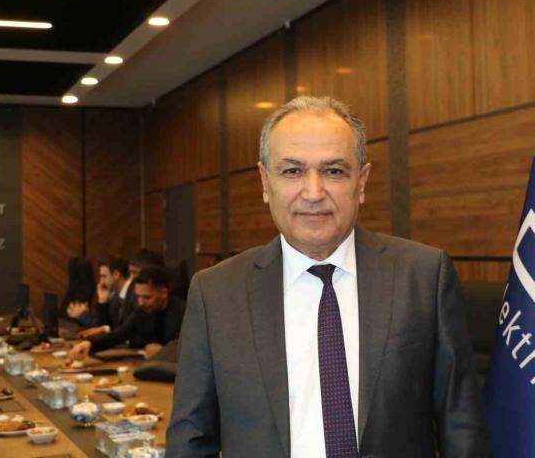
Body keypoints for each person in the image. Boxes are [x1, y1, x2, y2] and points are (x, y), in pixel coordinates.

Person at [167, 96, 490, 457]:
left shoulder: (424, 277)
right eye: (292, 171)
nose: (314, 193)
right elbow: (191, 439)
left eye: (334, 171)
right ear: (265, 182)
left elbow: (462, 428)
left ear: (361, 182)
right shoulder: (215, 294)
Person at [68, 265, 185, 360]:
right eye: (138, 296)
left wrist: (166, 352)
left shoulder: (184, 313)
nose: (140, 303)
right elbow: (118, 335)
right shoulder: (141, 312)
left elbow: (190, 351)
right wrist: (89, 344)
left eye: (147, 297)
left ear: (164, 293)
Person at [72, 257, 136, 337]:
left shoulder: (134, 294)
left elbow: (126, 329)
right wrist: (102, 302)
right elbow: (101, 327)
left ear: (116, 275)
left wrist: (83, 316)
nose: (101, 282)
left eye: (104, 276)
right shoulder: (115, 296)